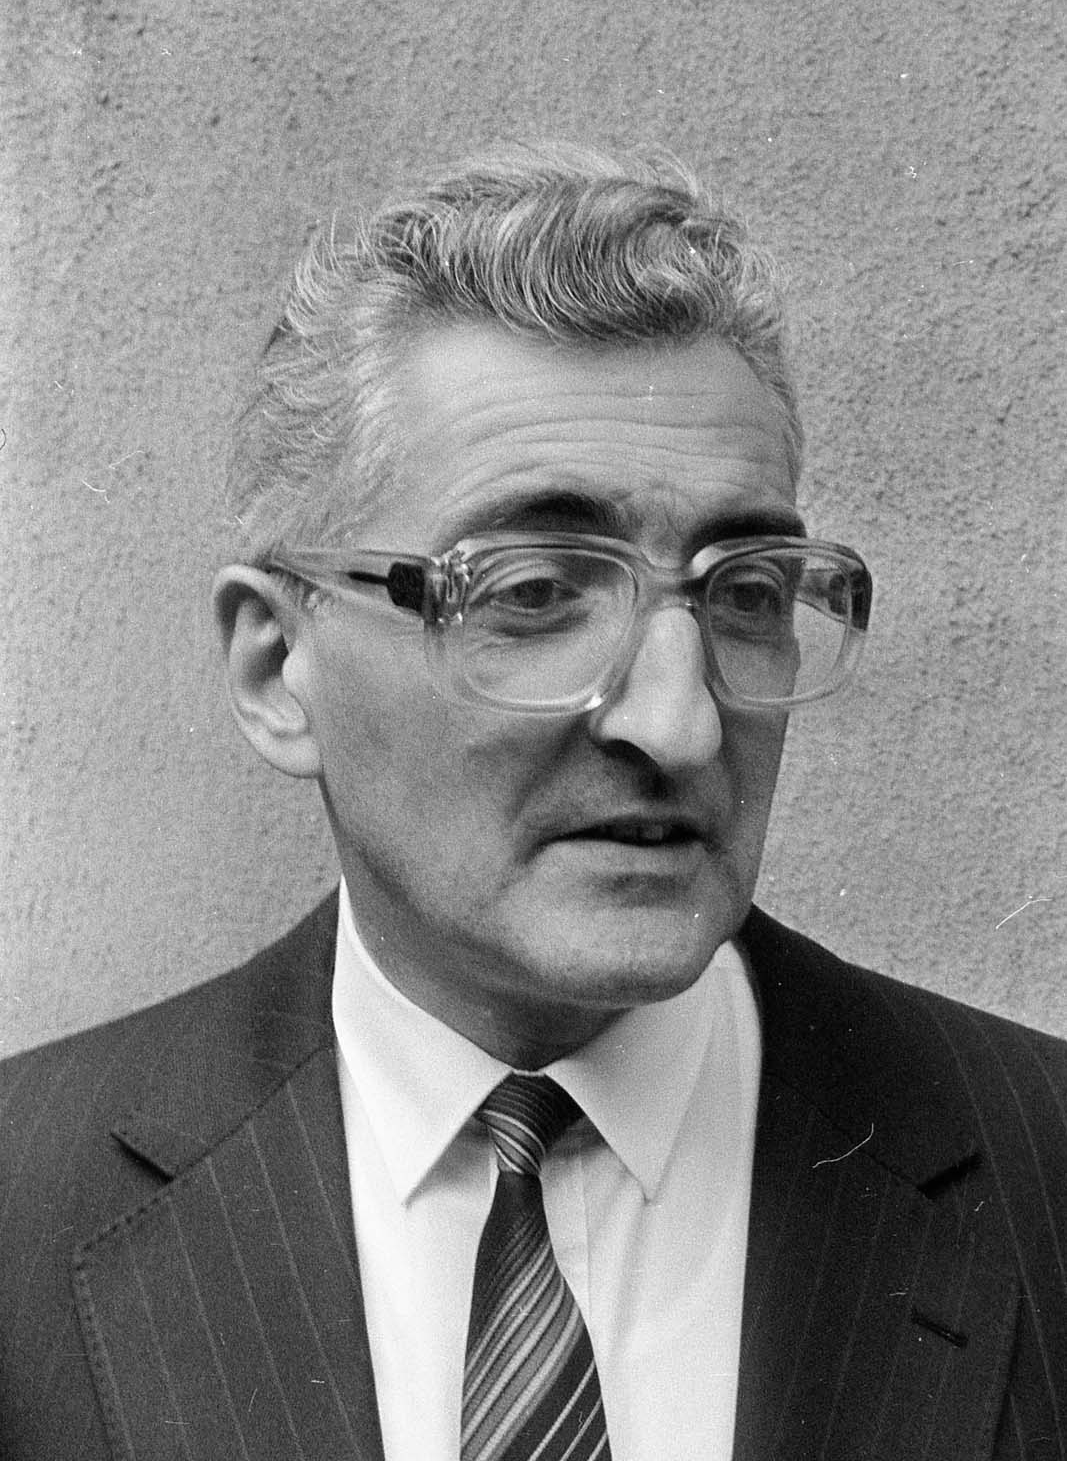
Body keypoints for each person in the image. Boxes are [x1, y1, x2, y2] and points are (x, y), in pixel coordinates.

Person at [1, 144, 1064, 1461]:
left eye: (744, 593)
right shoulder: (26, 1215)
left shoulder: (1040, 1179)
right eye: (534, 594)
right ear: (280, 669)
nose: (677, 725)